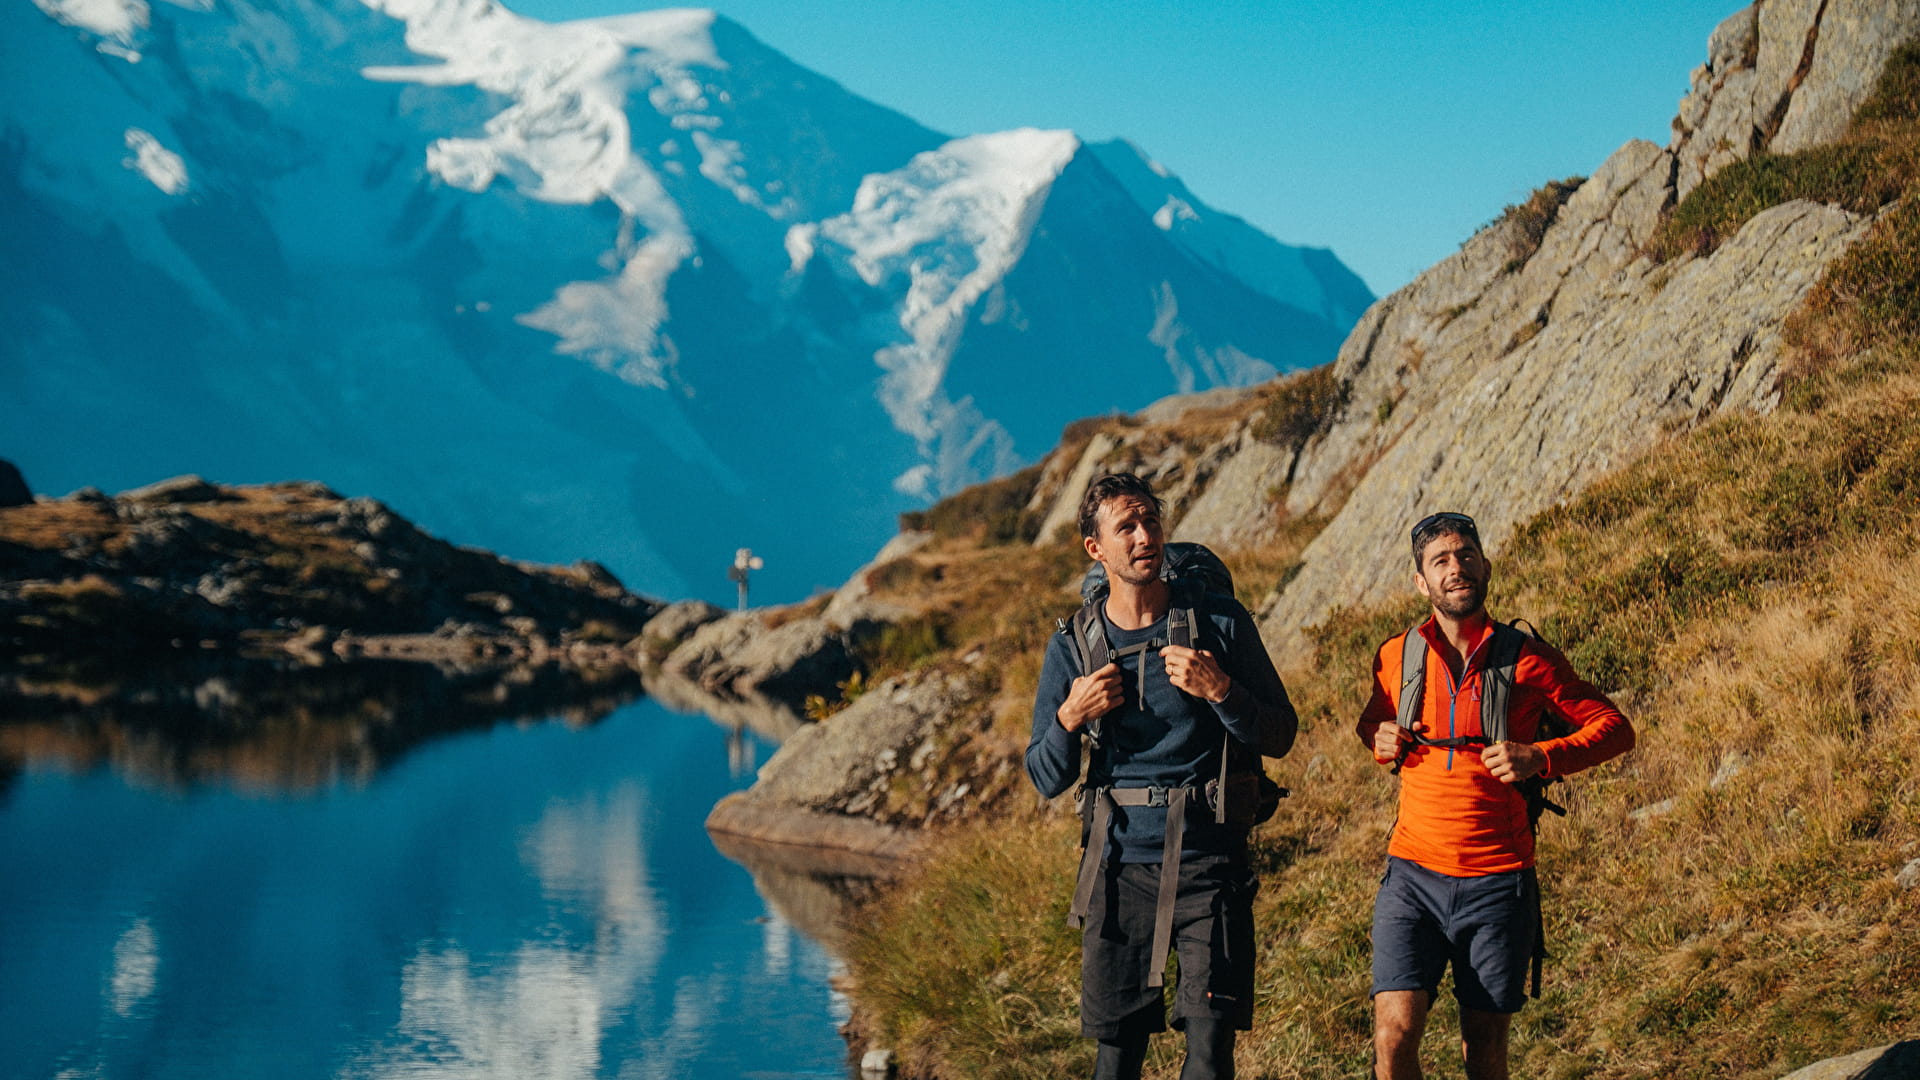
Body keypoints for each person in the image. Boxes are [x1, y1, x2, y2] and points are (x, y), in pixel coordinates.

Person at [1027, 473, 1297, 1080]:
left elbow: (1280, 732)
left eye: (1150, 520)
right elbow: (1045, 776)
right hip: (1117, 869)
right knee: (1116, 1059)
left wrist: (1221, 690)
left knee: (1208, 1056)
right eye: (1126, 525)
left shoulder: (1220, 624)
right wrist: (1070, 717)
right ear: (1096, 548)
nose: (1145, 535)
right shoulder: (1074, 646)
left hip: (1211, 864)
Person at [1356, 511, 1635, 1080]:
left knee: (1482, 1050)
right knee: (1393, 1036)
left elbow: (1614, 727)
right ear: (1421, 581)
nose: (1456, 568)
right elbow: (1373, 724)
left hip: (1498, 881)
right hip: (1412, 877)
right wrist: (1379, 737)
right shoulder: (1397, 656)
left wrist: (1543, 756)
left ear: (1485, 565)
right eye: (1441, 561)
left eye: (1465, 556)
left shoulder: (1529, 657)